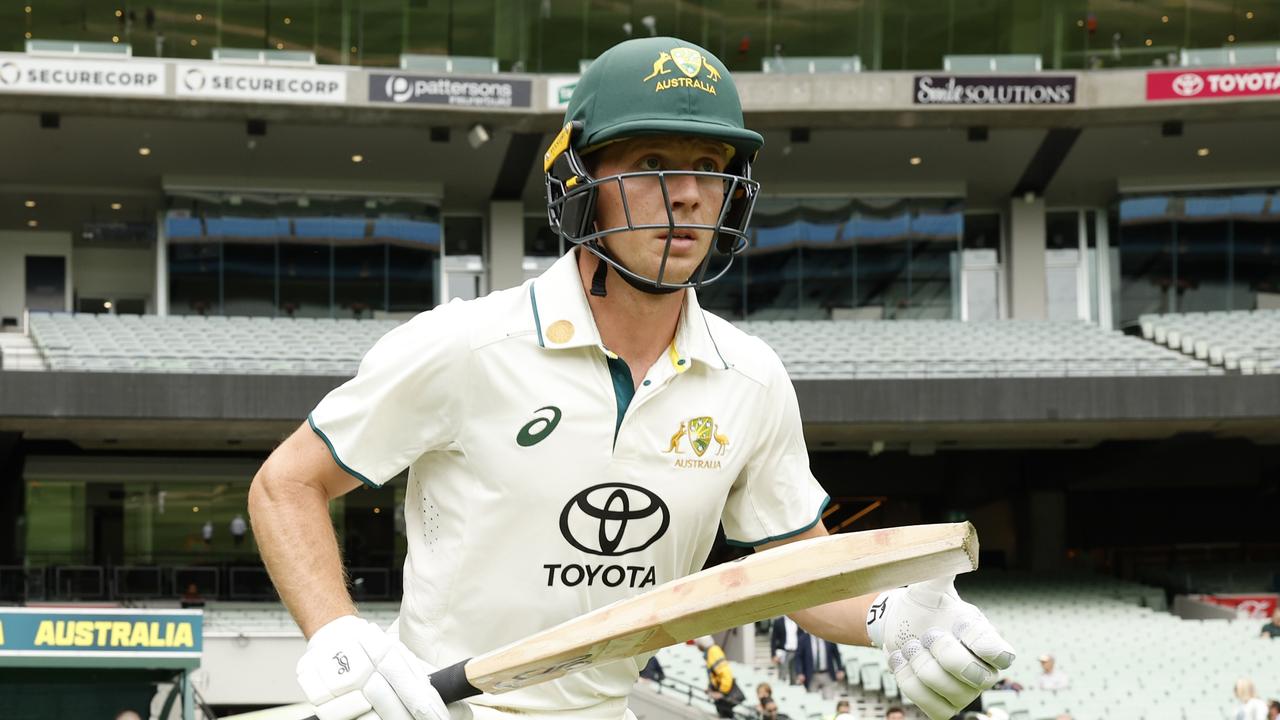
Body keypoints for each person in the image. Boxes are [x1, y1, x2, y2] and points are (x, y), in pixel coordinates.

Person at [249, 35, 1014, 720]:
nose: (685, 193)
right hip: (441, 708)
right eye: (651, 164)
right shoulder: (467, 343)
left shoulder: (750, 379)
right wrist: (337, 634)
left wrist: (892, 618)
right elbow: (286, 484)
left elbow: (799, 576)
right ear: (580, 180)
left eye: (710, 169)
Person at [696, 636, 744, 718]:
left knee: (726, 714)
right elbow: (715, 674)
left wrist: (722, 692)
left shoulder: (713, 652)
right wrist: (710, 687)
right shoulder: (710, 652)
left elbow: (726, 674)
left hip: (724, 693)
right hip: (720, 690)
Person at [795, 629, 846, 699]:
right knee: (812, 700)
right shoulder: (803, 639)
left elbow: (836, 654)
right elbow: (798, 657)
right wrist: (799, 672)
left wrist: (840, 669)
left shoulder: (829, 637)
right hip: (811, 675)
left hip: (827, 674)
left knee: (829, 699)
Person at [771, 615, 801, 683]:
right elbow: (773, 639)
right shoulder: (778, 622)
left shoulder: (798, 621)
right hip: (784, 652)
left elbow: (801, 636)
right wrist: (773, 654)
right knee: (782, 674)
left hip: (796, 651)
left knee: (795, 675)